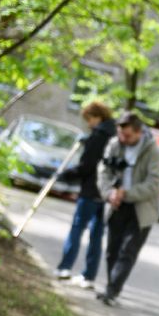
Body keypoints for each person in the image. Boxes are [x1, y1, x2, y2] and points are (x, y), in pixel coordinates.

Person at [94, 111, 159, 306]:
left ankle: (112, 290)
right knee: (112, 250)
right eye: (120, 135)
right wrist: (110, 193)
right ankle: (111, 286)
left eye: (128, 136)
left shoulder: (153, 152)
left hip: (141, 209)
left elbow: (154, 183)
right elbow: (104, 172)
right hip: (117, 204)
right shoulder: (115, 145)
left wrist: (127, 193)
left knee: (128, 251)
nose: (123, 139)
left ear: (139, 132)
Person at [54, 100, 116, 288]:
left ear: (97, 117)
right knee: (97, 235)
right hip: (106, 194)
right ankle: (89, 276)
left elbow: (88, 166)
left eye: (89, 119)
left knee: (77, 228)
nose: (89, 124)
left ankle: (65, 267)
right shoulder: (116, 136)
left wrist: (65, 174)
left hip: (90, 191)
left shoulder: (98, 136)